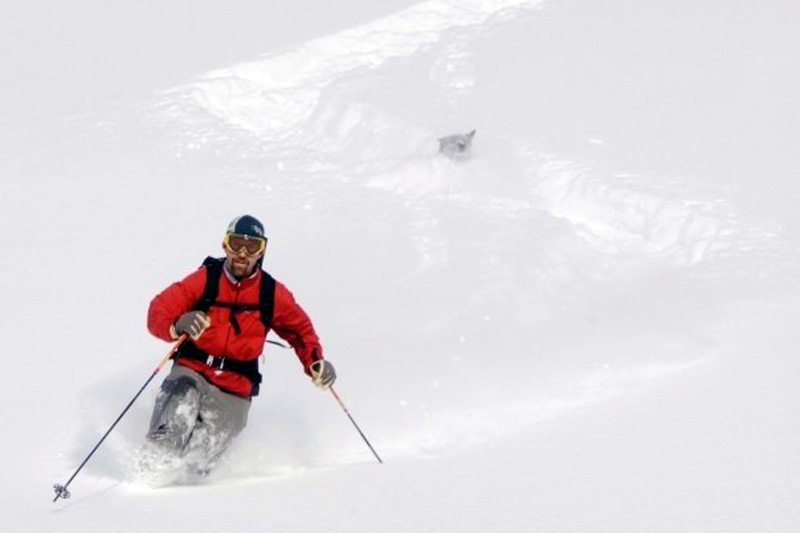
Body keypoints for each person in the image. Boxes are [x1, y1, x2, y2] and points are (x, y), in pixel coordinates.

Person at [143, 214, 336, 477]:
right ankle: (150, 470)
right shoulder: (205, 279)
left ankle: (184, 490)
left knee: (197, 462)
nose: (242, 253)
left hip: (235, 387)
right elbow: (159, 309)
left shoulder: (271, 293)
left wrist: (315, 361)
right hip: (192, 370)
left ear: (262, 251)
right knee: (180, 402)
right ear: (224, 245)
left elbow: (300, 330)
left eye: (252, 246)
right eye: (236, 244)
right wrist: (178, 324)